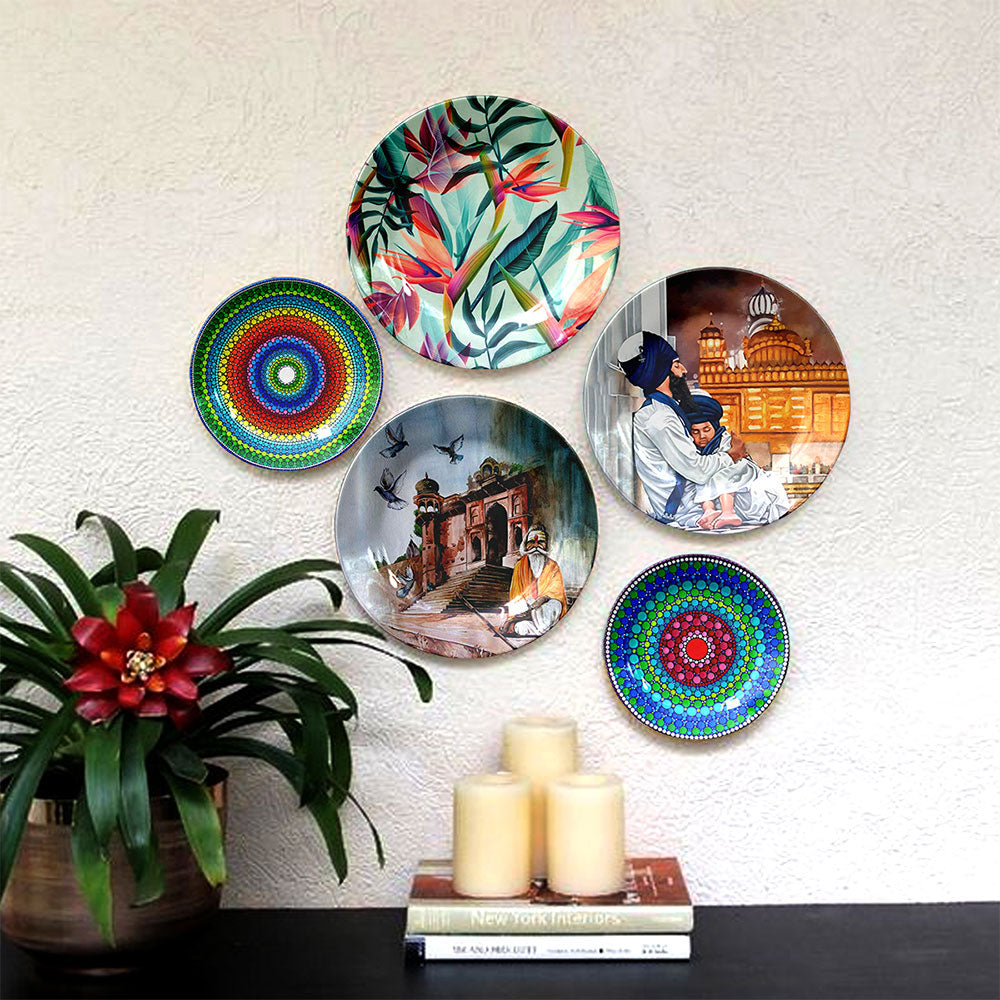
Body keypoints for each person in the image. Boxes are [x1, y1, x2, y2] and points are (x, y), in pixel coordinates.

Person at [611, 331, 748, 523]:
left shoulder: (666, 410)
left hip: (695, 498)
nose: (683, 370)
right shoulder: (659, 418)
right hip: (687, 509)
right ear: (660, 373)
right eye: (676, 365)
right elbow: (696, 470)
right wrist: (732, 455)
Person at [500, 523, 566, 637]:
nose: (536, 546)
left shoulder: (553, 566)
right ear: (525, 545)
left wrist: (541, 600)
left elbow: (557, 593)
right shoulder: (519, 566)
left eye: (540, 542)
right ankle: (534, 627)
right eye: (531, 542)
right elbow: (516, 594)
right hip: (527, 605)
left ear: (546, 545)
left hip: (543, 606)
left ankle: (526, 627)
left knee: (555, 605)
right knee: (516, 607)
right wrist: (524, 609)